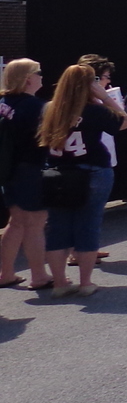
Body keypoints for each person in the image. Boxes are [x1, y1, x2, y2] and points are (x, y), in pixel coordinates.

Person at [37, 63, 127, 299]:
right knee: (88, 224)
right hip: (92, 171)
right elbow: (124, 122)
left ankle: (59, 282)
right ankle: (85, 282)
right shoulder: (93, 110)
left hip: (58, 173)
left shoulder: (49, 109)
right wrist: (104, 96)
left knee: (58, 226)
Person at [0, 59, 51, 290]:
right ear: (29, 78)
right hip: (30, 168)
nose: (42, 76)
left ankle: (6, 273)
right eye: (38, 73)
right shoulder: (36, 106)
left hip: (7, 170)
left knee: (16, 222)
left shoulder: (2, 103)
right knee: (35, 223)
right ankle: (39, 276)